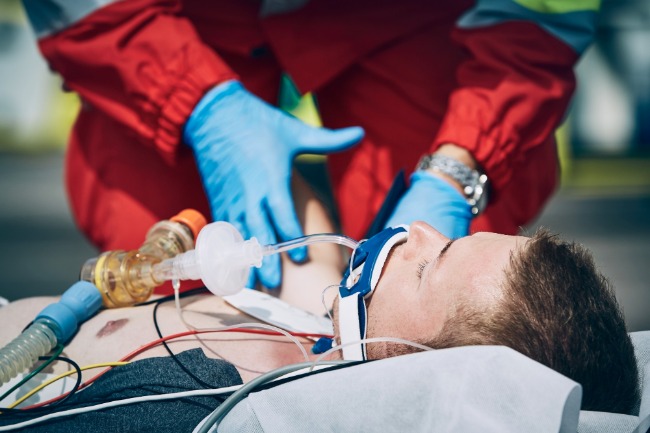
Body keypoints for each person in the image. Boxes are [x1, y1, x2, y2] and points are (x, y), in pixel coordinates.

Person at [20, 0, 600, 290]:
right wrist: (199, 104)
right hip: (173, 17)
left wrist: (456, 167)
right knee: (165, 274)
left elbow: (544, 14)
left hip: (404, 14)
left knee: (469, 261)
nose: (420, 240)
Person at [0, 187, 639, 432]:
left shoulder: (198, 408)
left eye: (426, 265)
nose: (413, 229)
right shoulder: (312, 324)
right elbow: (300, 201)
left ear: (421, 371)